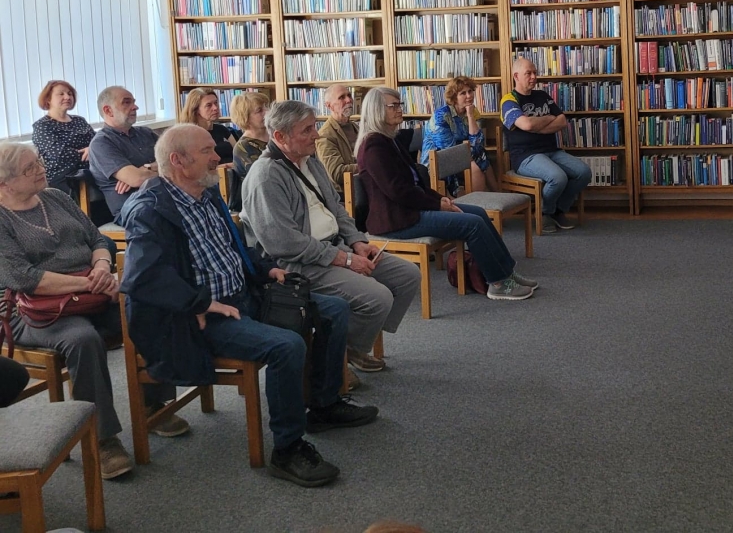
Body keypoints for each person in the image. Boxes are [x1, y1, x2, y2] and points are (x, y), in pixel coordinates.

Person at [119, 124, 377, 488]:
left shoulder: (207, 195)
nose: (218, 157)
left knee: (333, 310)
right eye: (207, 151)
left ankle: (324, 405)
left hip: (244, 296)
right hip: (201, 317)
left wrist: (265, 269)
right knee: (286, 346)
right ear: (178, 160)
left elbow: (233, 249)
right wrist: (200, 303)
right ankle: (287, 448)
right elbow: (142, 277)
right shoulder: (149, 211)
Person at [0, 141, 185, 480]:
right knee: (83, 340)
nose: (41, 169)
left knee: (147, 310)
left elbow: (99, 240)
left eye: (38, 161)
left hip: (89, 290)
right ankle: (102, 440)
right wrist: (90, 283)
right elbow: (25, 279)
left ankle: (152, 403)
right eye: (30, 169)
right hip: (32, 311)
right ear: (4, 183)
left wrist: (102, 268)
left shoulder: (55, 197)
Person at [241, 101, 421, 374]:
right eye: (307, 130)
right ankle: (334, 356)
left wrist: (358, 242)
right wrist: (344, 260)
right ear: (280, 136)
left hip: (335, 247)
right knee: (378, 298)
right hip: (297, 264)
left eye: (314, 127)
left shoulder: (310, 160)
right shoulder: (265, 176)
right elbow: (283, 243)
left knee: (408, 276)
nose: (316, 135)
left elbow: (336, 208)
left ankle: (349, 345)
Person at [357, 87, 537, 302]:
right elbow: (398, 191)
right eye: (393, 105)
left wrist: (439, 199)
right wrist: (436, 205)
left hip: (410, 210)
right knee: (472, 224)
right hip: (397, 220)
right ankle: (498, 283)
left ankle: (507, 272)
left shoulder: (390, 140)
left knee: (478, 213)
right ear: (376, 110)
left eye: (399, 104)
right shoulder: (373, 146)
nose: (399, 109)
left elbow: (415, 181)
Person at [501, 57, 591, 235]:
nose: (534, 77)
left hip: (551, 151)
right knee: (558, 177)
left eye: (535, 72)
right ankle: (544, 213)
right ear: (516, 76)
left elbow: (562, 121)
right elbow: (526, 124)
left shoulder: (542, 96)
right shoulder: (509, 100)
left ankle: (557, 210)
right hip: (525, 156)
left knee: (584, 172)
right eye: (528, 73)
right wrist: (548, 119)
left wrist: (537, 127)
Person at [87, 86, 159, 223]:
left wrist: (147, 168)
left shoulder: (146, 133)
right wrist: (162, 169)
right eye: (126, 102)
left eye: (133, 102)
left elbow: (178, 162)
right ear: (108, 110)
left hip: (162, 198)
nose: (135, 107)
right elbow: (137, 179)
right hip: (135, 209)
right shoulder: (101, 143)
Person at [421, 76, 499, 195]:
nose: (469, 96)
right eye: (463, 93)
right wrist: (471, 156)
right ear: (454, 97)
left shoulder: (471, 111)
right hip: (437, 161)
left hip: (463, 153)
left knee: (481, 155)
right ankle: (476, 202)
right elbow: (449, 150)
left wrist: (470, 116)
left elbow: (478, 143)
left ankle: (496, 194)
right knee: (476, 164)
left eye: (470, 91)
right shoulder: (441, 116)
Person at [31, 79, 96, 196]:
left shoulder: (79, 120)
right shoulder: (42, 126)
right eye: (61, 94)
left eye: (70, 94)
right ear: (48, 99)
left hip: (92, 169)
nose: (67, 97)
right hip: (64, 176)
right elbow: (60, 155)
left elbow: (98, 142)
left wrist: (93, 149)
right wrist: (93, 152)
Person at [180, 87, 239, 166]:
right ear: (196, 110)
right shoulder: (190, 135)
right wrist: (227, 167)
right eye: (209, 105)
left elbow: (239, 155)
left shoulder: (222, 129)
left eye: (216, 103)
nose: (215, 108)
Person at [315, 83, 359, 186]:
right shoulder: (325, 135)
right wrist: (369, 165)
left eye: (349, 95)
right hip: (344, 193)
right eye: (341, 97)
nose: (348, 100)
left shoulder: (357, 128)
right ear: (328, 105)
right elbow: (337, 173)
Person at [231, 91, 272, 179]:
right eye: (259, 110)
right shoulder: (243, 147)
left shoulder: (275, 135)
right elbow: (265, 176)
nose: (268, 112)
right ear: (245, 118)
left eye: (266, 106)